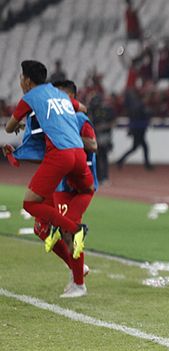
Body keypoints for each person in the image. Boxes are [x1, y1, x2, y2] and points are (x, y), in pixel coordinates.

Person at [3, 60, 91, 261]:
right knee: (85, 191)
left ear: (26, 80)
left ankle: (72, 228)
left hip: (60, 154)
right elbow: (83, 109)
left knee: (30, 203)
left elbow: (9, 127)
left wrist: (18, 126)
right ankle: (77, 270)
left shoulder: (30, 97)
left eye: (20, 77)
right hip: (79, 153)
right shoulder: (60, 94)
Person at [50, 80, 98, 298]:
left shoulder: (79, 118)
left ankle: (79, 283)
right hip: (59, 184)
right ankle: (77, 268)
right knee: (44, 231)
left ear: (70, 96)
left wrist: (69, 138)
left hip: (81, 186)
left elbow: (93, 145)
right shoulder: (53, 120)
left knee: (71, 229)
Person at [116, 87, 153, 170]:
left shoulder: (136, 105)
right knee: (138, 147)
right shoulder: (139, 106)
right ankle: (147, 165)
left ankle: (121, 160)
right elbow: (139, 118)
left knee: (138, 147)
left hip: (138, 130)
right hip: (138, 130)